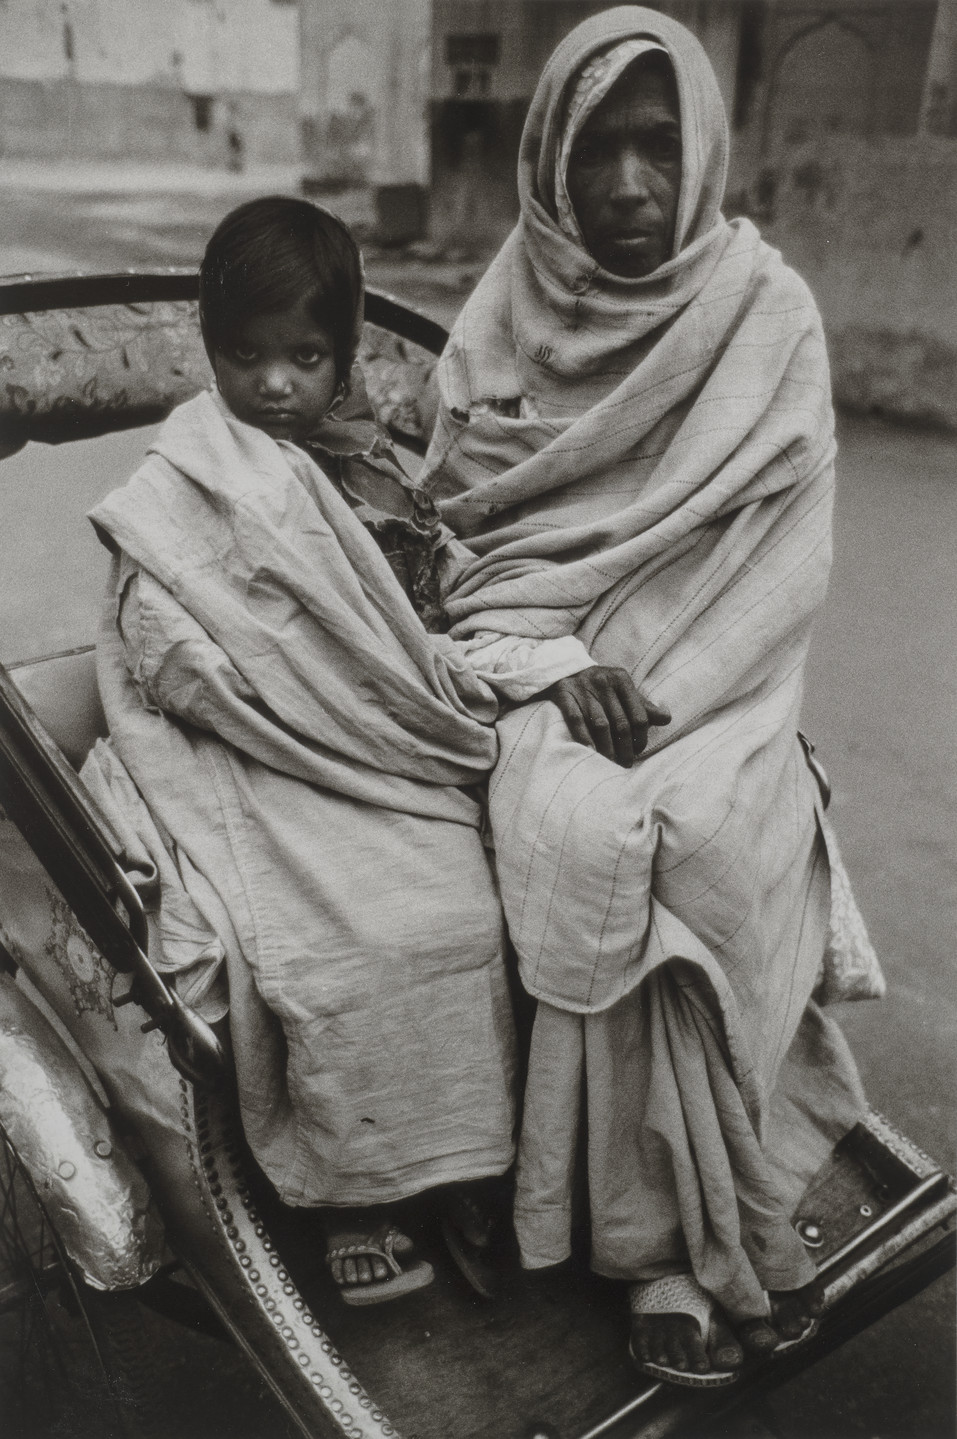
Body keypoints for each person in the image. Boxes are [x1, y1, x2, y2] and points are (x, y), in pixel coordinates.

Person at [421, 7, 884, 1385]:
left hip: (717, 684)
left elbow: (782, 558)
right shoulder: (497, 316)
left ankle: (681, 1230)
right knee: (575, 831)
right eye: (597, 148)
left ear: (701, 153)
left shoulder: (765, 312)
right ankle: (656, 1241)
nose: (626, 184)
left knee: (698, 833)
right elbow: (456, 552)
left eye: (655, 143)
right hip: (542, 675)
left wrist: (662, 691)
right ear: (549, 157)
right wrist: (560, 670)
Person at [79, 197, 598, 1304]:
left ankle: (469, 1158)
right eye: (247, 355)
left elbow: (424, 610)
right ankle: (359, 1191)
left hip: (381, 751)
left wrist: (477, 663)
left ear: (345, 353)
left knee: (473, 907)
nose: (275, 384)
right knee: (338, 939)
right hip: (263, 758)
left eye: (306, 357)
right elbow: (159, 631)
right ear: (210, 351)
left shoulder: (370, 466)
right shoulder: (185, 479)